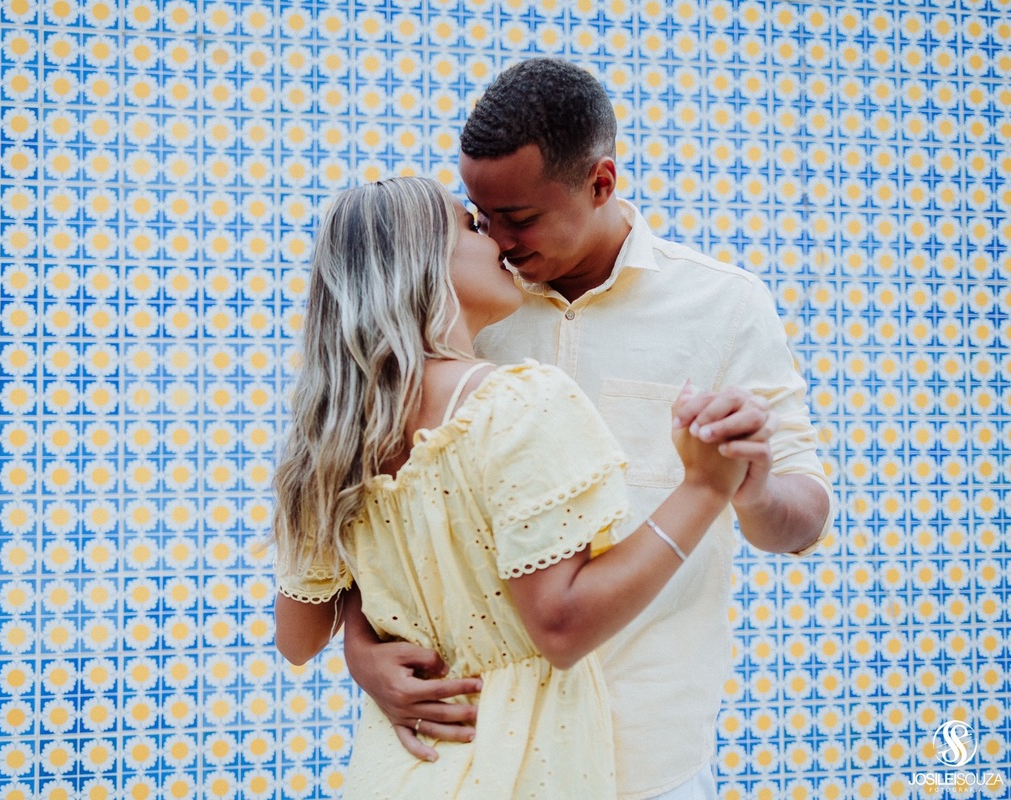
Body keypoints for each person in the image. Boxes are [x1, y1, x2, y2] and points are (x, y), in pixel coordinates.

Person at [343, 59, 834, 800]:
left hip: (650, 751)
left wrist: (751, 485)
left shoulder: (726, 306)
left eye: (520, 217)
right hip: (481, 752)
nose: (498, 239)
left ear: (601, 182)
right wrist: (360, 646)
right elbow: (380, 495)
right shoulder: (462, 308)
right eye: (479, 215)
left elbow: (801, 521)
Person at [272, 176, 749, 798]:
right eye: (470, 226)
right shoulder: (517, 402)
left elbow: (298, 638)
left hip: (395, 770)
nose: (495, 237)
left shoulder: (329, 442)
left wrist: (363, 646)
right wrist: (706, 490)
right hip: (526, 765)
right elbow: (562, 628)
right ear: (423, 262)